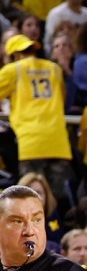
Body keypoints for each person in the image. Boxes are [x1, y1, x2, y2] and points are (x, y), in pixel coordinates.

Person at [0, 35, 73, 202]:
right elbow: (62, 99)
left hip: (31, 143)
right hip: (58, 143)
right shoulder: (54, 68)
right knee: (55, 200)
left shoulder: (13, 69)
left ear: (14, 55)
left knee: (30, 200)